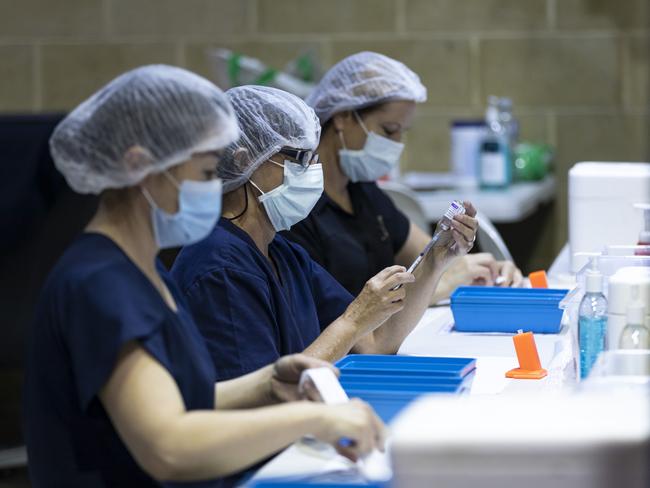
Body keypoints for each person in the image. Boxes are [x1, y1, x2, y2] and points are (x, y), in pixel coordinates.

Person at [24, 65, 385, 488]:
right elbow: (169, 447)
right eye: (206, 173)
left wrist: (267, 384)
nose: (219, 187)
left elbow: (173, 398)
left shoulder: (141, 269)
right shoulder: (100, 285)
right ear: (142, 167)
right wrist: (313, 417)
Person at [171, 85, 478, 381]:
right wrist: (353, 320)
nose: (312, 172)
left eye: (313, 158)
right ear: (243, 161)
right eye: (299, 159)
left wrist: (436, 260)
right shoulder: (220, 268)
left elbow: (374, 345)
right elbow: (260, 399)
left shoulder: (284, 254)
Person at [283, 51, 523, 300]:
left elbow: (431, 257)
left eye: (402, 133)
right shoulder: (299, 206)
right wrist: (437, 286)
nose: (396, 145)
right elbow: (331, 315)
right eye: (388, 131)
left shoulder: (363, 192)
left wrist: (482, 267)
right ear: (343, 116)